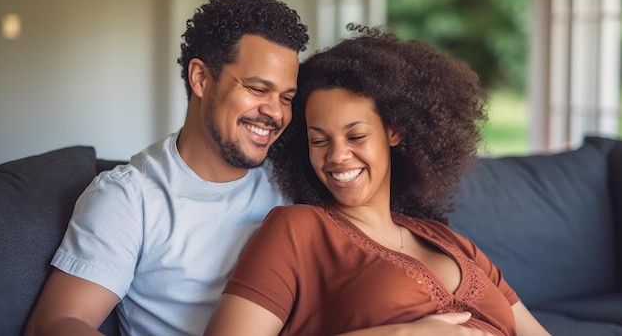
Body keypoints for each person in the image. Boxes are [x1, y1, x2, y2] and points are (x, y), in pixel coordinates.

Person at [203, 25, 551, 336]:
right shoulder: (297, 231)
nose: (337, 156)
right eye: (319, 141)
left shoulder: (450, 242)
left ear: (394, 132)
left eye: (356, 137)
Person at [23, 0, 309, 336]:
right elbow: (58, 322)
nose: (276, 113)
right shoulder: (131, 196)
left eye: (286, 98)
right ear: (201, 78)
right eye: (257, 88)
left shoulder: (290, 179)